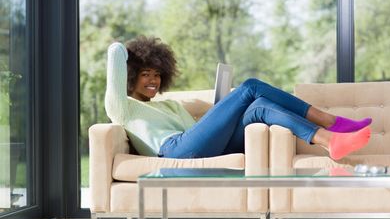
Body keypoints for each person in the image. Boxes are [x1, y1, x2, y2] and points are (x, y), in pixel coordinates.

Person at [105, 36, 372, 161]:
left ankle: (330, 140)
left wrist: (222, 111)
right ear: (130, 76)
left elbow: (198, 132)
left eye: (157, 75)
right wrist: (126, 52)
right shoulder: (124, 108)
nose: (153, 80)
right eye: (144, 74)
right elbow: (115, 52)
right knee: (251, 86)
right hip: (174, 151)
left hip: (199, 145)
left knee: (259, 107)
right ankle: (331, 124)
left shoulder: (171, 104)